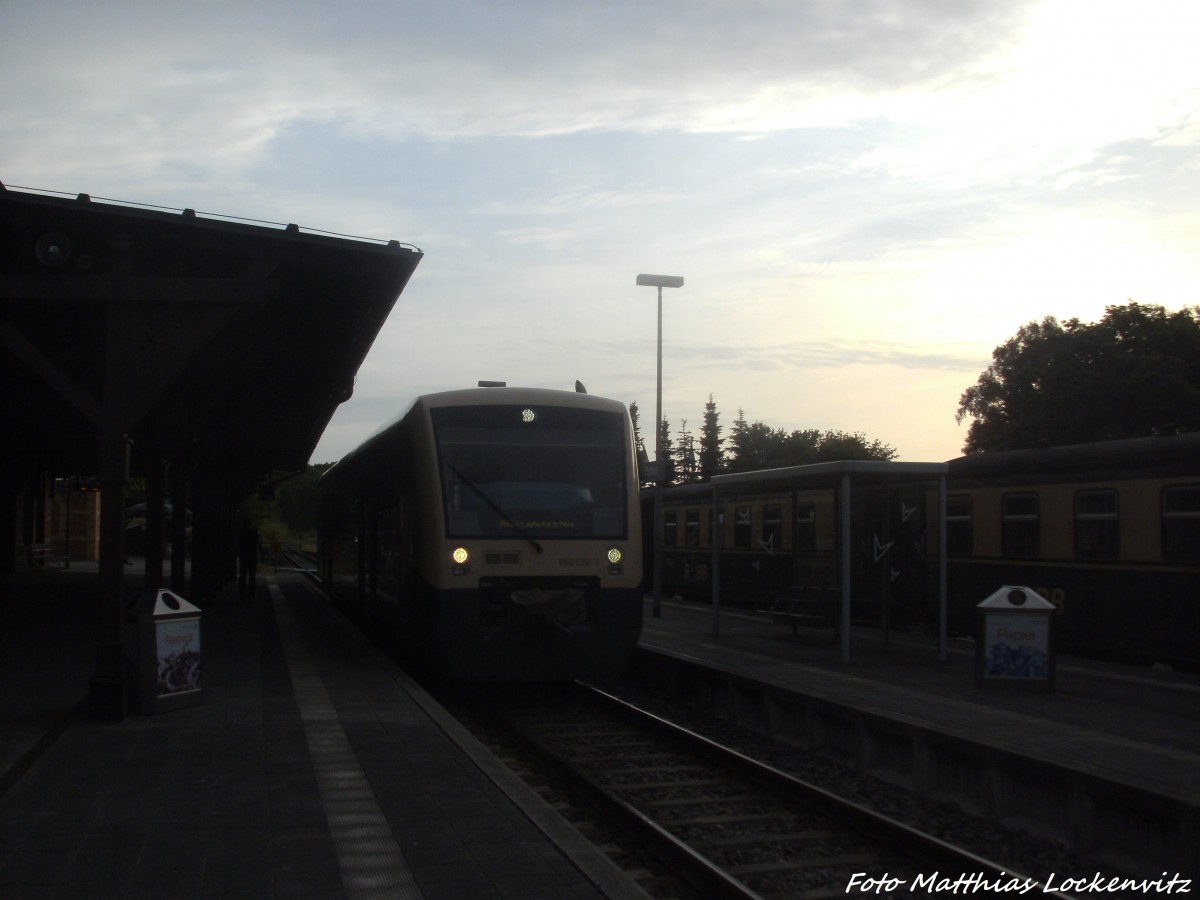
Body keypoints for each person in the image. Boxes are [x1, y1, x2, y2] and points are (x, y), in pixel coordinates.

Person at [237, 523, 261, 601]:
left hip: (243, 557)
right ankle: (251, 596)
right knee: (252, 576)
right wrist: (262, 554)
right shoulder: (255, 532)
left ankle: (242, 595)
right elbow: (259, 543)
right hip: (252, 556)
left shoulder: (241, 532)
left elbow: (237, 543)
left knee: (242, 576)